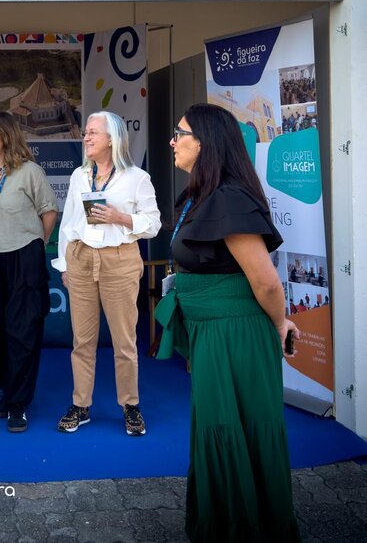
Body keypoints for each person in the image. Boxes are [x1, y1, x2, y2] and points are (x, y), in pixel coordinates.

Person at [154, 102, 301, 542]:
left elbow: (266, 282)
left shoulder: (229, 198)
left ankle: (247, 529)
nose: (172, 141)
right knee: (218, 425)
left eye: (180, 133)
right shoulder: (204, 194)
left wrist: (281, 324)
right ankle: (227, 524)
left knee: (231, 426)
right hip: (212, 330)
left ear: (205, 142)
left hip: (234, 332)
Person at [52, 111, 161, 436]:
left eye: (92, 133)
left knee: (124, 341)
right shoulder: (79, 176)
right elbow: (68, 223)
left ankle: (130, 405)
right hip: (81, 259)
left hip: (119, 260)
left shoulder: (137, 178)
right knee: (82, 340)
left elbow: (154, 224)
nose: (85, 137)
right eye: (85, 132)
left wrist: (120, 218)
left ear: (112, 139)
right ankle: (81, 404)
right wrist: (65, 265)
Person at [0, 111, 58, 433]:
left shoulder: (30, 172)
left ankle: (18, 404)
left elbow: (49, 212)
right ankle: (7, 391)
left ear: (6, 136)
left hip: (24, 256)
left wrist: (36, 243)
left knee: (23, 331)